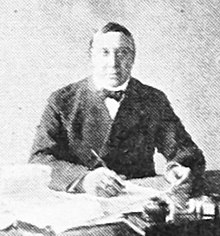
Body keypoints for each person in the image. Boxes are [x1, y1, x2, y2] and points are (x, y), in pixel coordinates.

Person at [29, 22, 205, 198]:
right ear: (92, 56)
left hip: (138, 201)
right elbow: (39, 159)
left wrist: (178, 168)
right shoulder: (62, 100)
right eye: (104, 53)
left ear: (133, 58)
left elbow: (185, 151)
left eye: (123, 53)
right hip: (81, 202)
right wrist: (85, 179)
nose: (113, 63)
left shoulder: (153, 99)